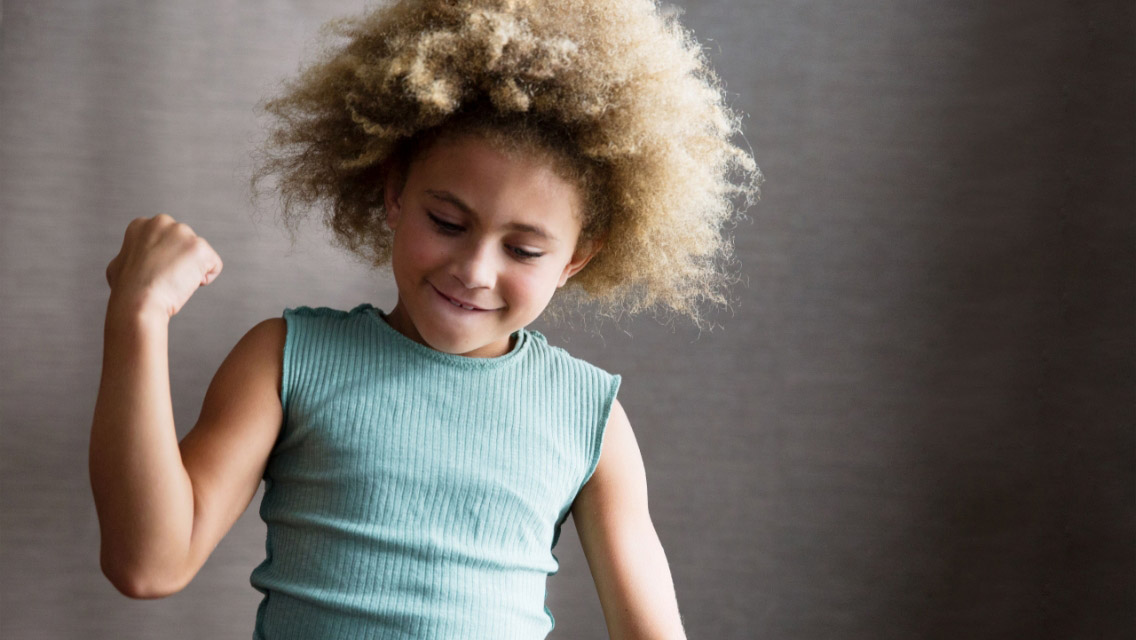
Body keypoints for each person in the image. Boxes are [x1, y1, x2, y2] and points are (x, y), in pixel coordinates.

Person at [88, 0, 759, 638]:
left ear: (577, 258)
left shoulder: (590, 418)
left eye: (524, 250)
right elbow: (148, 564)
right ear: (393, 195)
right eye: (446, 222)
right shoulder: (287, 359)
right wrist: (139, 315)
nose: (475, 270)